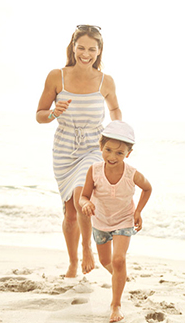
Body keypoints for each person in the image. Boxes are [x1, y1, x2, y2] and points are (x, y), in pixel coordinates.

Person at [36, 25, 122, 278]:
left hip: (94, 145)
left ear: (99, 51)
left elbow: (115, 110)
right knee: (70, 214)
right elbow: (40, 115)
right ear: (73, 47)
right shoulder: (56, 76)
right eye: (81, 47)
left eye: (92, 49)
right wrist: (53, 113)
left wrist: (117, 134)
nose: (86, 54)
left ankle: (87, 248)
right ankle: (73, 262)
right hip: (64, 149)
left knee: (79, 193)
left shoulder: (106, 81)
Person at [79, 120, 152, 323]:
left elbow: (148, 188)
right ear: (101, 146)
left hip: (123, 220)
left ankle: (116, 305)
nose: (112, 157)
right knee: (105, 261)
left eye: (119, 153)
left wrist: (138, 211)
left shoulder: (131, 174)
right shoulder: (93, 170)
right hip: (100, 221)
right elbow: (83, 196)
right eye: (108, 150)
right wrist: (85, 204)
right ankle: (119, 277)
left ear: (128, 153)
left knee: (118, 260)